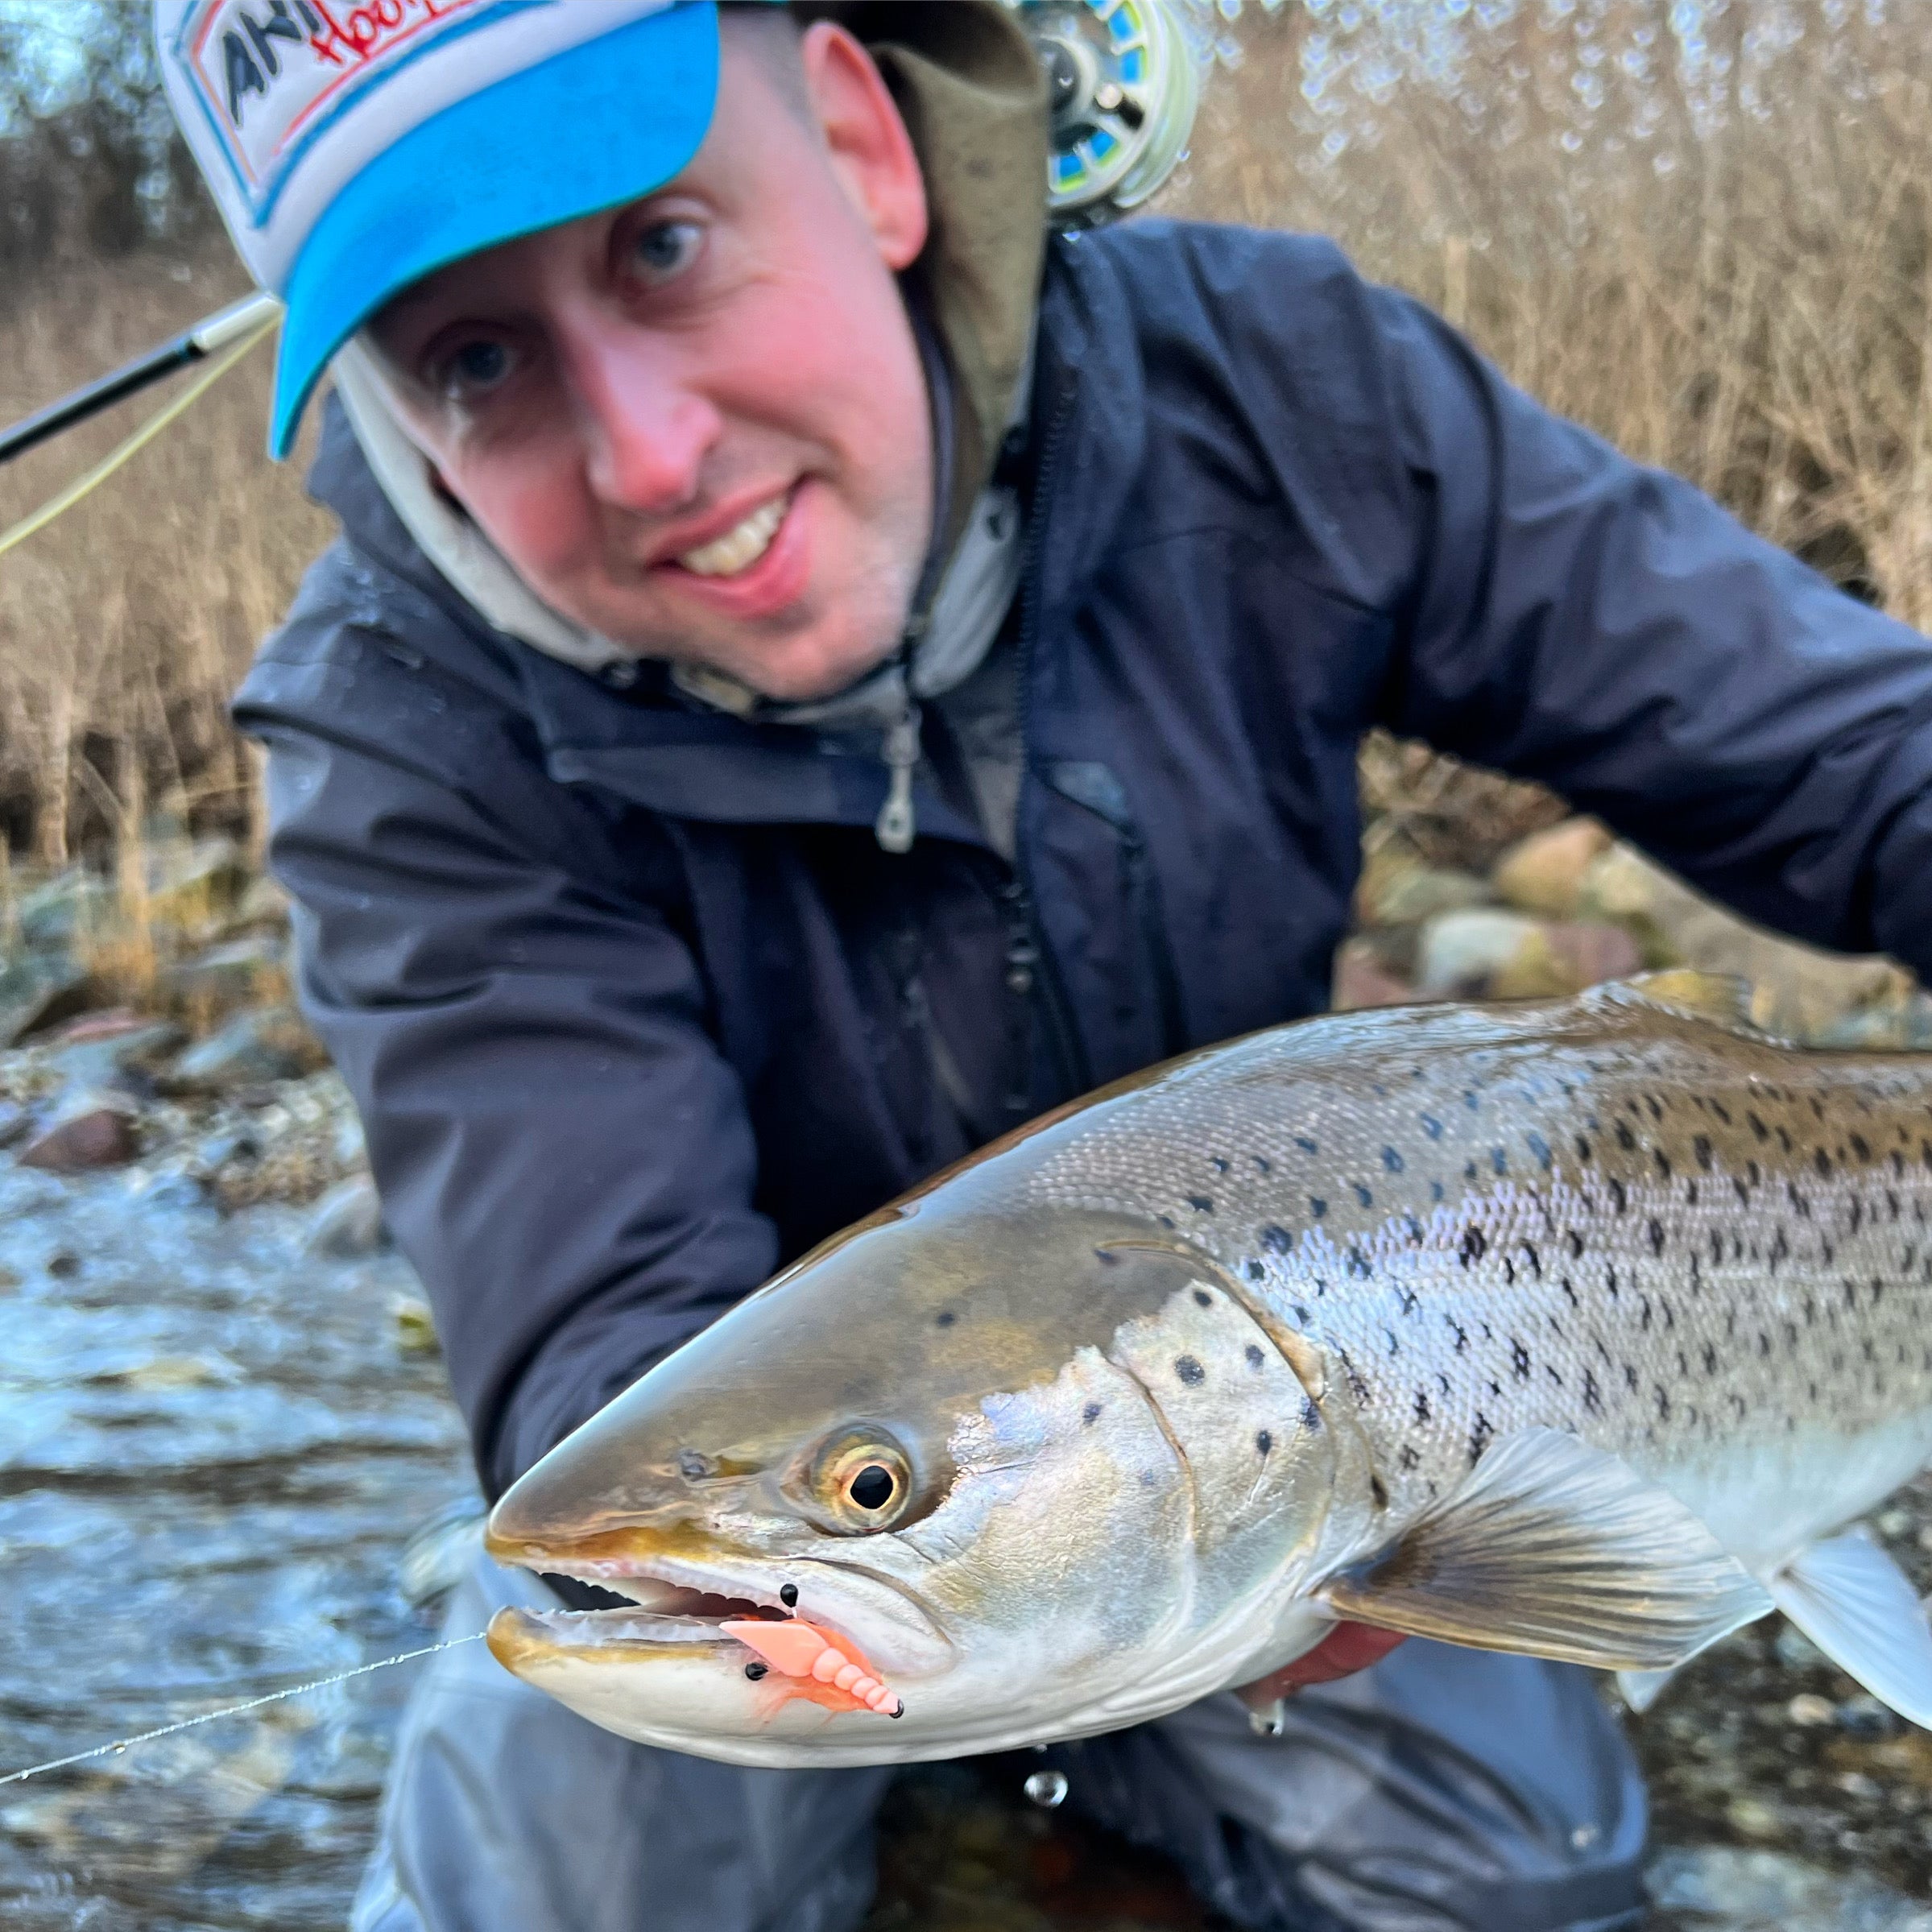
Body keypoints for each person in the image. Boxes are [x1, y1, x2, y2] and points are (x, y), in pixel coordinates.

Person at [154, 4, 1932, 1930]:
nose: (653, 454)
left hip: (1242, 1412)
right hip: (792, 1437)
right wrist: (875, 1544)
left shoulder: (1281, 393)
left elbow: (1850, 761)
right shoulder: (390, 724)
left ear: (864, 143)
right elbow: (600, 1330)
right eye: (474, 358)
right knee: (579, 1853)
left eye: (661, 245)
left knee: (1508, 1872)